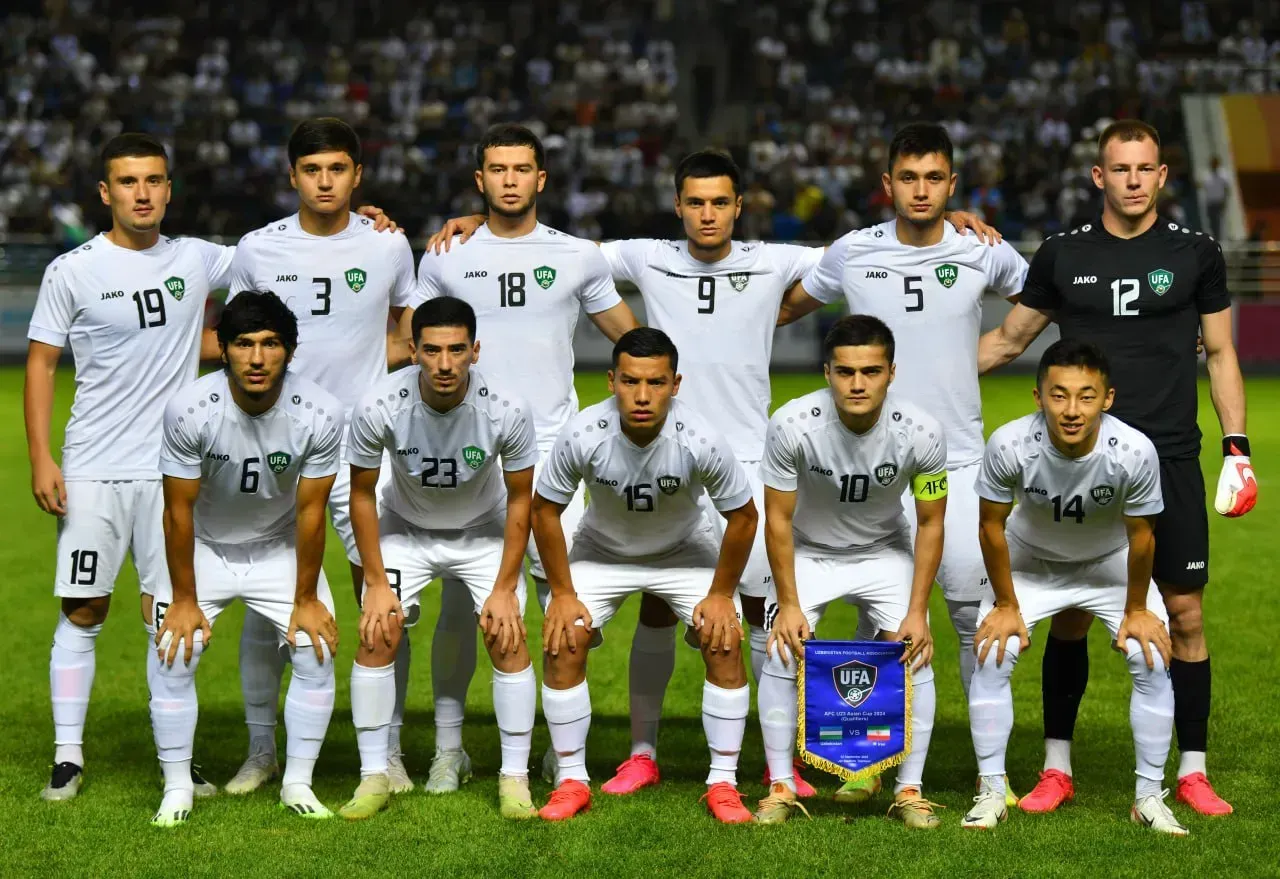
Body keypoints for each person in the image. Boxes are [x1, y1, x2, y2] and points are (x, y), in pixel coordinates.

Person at [427, 146, 998, 797]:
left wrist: (948, 225)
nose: (707, 214)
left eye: (720, 202)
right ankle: (643, 752)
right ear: (678, 206)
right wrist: (482, 225)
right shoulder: (646, 256)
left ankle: (771, 756)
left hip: (748, 463)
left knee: (757, 614)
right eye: (695, 202)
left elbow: (868, 250)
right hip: (665, 452)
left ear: (739, 206)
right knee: (657, 608)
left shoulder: (775, 260)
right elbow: (557, 250)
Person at [977, 119, 1255, 816]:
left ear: (1162, 176)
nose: (1133, 180)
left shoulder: (1196, 252)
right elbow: (1008, 340)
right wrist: (915, 375)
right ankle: (1056, 767)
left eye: (1145, 168)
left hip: (1170, 454)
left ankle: (1192, 770)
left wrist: (1237, 446)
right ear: (1099, 176)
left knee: (1184, 612)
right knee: (1071, 612)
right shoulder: (1063, 253)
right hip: (1080, 461)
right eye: (1119, 169)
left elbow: (1221, 352)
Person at [776, 122, 1028, 805]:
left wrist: (996, 350)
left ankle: (991, 774)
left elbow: (1044, 300)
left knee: (973, 620)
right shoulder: (853, 251)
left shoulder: (982, 250)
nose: (922, 190)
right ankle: (867, 762)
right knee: (876, 614)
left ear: (953, 184)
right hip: (871, 469)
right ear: (888, 184)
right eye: (909, 178)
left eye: (934, 178)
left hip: (961, 463)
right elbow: (781, 305)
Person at [411, 123, 637, 792]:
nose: (509, 180)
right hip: (468, 455)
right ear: (479, 180)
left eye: (521, 169)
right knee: (461, 606)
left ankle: (560, 752)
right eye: (497, 169)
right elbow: (411, 343)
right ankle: (449, 750)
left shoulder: (577, 256)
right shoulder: (446, 257)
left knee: (561, 607)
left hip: (552, 457)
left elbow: (634, 341)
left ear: (541, 179)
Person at [26, 133, 234, 801]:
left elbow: (286, 253)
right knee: (84, 606)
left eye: (153, 180)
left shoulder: (198, 257)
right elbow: (42, 363)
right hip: (92, 467)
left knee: (170, 614)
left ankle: (178, 759)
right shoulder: (72, 270)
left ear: (169, 189)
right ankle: (67, 756)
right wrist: (42, 457)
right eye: (127, 181)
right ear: (105, 192)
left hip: (174, 473)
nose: (141, 193)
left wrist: (361, 221)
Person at [221, 117, 419, 795]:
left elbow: (409, 326)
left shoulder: (388, 245)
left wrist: (380, 371)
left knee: (383, 598)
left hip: (363, 452)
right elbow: (234, 334)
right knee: (264, 598)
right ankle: (261, 751)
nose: (325, 181)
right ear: (293, 176)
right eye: (312, 170)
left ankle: (387, 751)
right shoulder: (258, 248)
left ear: (357, 175)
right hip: (275, 449)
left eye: (337, 168)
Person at [531, 328, 758, 823]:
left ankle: (723, 783)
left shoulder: (700, 438)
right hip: (602, 551)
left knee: (723, 639)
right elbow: (544, 509)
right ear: (611, 380)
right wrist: (563, 593)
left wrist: (722, 594)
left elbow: (744, 516)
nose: (642, 395)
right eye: (630, 381)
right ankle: (571, 780)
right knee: (564, 638)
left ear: (675, 384)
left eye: (655, 382)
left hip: (683, 550)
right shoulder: (583, 433)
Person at [962, 339, 1185, 836]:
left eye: (1086, 396)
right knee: (993, 653)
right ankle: (992, 791)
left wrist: (1136, 609)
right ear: (1038, 397)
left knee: (1149, 655)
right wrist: (1005, 603)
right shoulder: (1009, 443)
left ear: (1107, 398)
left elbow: (1142, 537)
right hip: (1031, 559)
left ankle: (1149, 797)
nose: (1071, 410)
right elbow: (990, 527)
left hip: (1108, 561)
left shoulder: (1134, 451)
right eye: (1059, 395)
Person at [338, 297, 540, 821]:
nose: (444, 364)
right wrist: (375, 581)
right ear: (413, 351)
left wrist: (505, 586)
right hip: (407, 528)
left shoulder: (508, 407)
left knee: (507, 635)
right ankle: (375, 772)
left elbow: (522, 500)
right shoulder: (379, 404)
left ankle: (514, 779)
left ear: (476, 350)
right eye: (432, 350)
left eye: (456, 350)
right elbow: (361, 494)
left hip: (482, 531)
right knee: (378, 630)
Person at [149, 291, 344, 826]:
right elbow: (177, 512)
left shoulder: (321, 412)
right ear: (222, 349)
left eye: (270, 344)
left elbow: (311, 512)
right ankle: (177, 788)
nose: (257, 358)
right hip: (205, 545)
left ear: (290, 351)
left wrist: (306, 598)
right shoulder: (189, 409)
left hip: (278, 545)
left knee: (315, 648)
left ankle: (298, 782)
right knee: (173, 650)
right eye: (243, 344)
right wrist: (183, 599)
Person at [754, 315, 946, 828]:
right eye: (844, 372)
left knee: (913, 651)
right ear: (827, 373)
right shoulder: (792, 424)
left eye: (871, 371)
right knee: (781, 647)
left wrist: (918, 611)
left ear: (891, 373)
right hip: (809, 550)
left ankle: (908, 790)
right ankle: (779, 786)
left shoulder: (923, 431)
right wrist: (788, 604)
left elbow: (931, 522)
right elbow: (777, 519)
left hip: (883, 550)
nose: (857, 384)